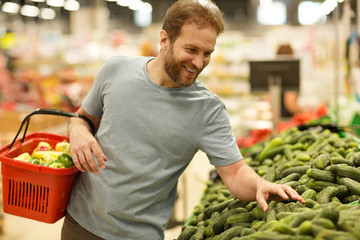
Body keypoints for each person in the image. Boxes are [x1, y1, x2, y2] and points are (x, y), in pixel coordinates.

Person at [61, 1, 305, 239]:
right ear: (164, 40)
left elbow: (235, 173)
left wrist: (258, 185)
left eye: (207, 53)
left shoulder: (208, 110)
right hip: (79, 224)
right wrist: (79, 132)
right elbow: (82, 118)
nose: (198, 63)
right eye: (191, 50)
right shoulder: (115, 71)